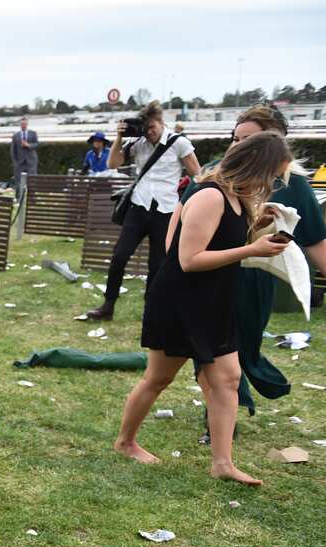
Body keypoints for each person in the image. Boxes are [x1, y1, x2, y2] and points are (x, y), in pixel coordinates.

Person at [113, 131, 294, 486]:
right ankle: (125, 442)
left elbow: (221, 239)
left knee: (227, 378)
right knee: (159, 378)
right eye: (273, 175)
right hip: (181, 300)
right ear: (256, 165)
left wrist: (257, 227)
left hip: (214, 301)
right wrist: (250, 251)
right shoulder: (210, 196)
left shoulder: (238, 198)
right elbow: (188, 258)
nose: (272, 183)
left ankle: (223, 463)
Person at [187, 105, 326, 427]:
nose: (238, 146)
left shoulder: (293, 184)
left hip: (255, 279)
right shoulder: (213, 175)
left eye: (248, 139)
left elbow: (316, 240)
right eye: (235, 138)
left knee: (243, 347)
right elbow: (181, 229)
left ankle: (245, 391)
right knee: (210, 350)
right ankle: (220, 419)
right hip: (211, 274)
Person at [87, 101, 201, 321]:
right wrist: (119, 137)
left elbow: (197, 174)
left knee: (157, 264)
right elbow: (113, 164)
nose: (149, 133)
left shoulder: (179, 143)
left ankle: (152, 309)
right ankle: (108, 306)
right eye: (145, 129)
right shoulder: (137, 142)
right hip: (138, 208)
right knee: (119, 256)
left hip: (165, 211)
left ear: (161, 122)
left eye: (152, 128)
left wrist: (188, 203)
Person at [10, 116, 40, 197]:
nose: (23, 125)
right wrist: (15, 162)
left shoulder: (33, 133)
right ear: (20, 124)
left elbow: (37, 144)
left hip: (31, 161)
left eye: (25, 124)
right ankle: (18, 198)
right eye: (22, 124)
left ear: (27, 124)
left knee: (32, 180)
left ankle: (32, 198)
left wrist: (28, 145)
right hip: (20, 162)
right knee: (18, 181)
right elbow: (13, 150)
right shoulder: (16, 135)